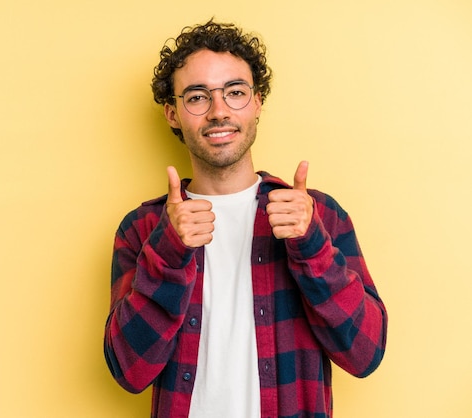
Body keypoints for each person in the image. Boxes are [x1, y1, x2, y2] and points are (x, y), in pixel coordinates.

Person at [104, 19, 387, 418]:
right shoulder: (143, 228)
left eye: (235, 92)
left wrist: (311, 247)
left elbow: (366, 353)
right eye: (198, 97)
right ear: (172, 113)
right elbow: (128, 371)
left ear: (257, 102)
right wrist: (168, 252)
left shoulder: (316, 216)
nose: (219, 111)